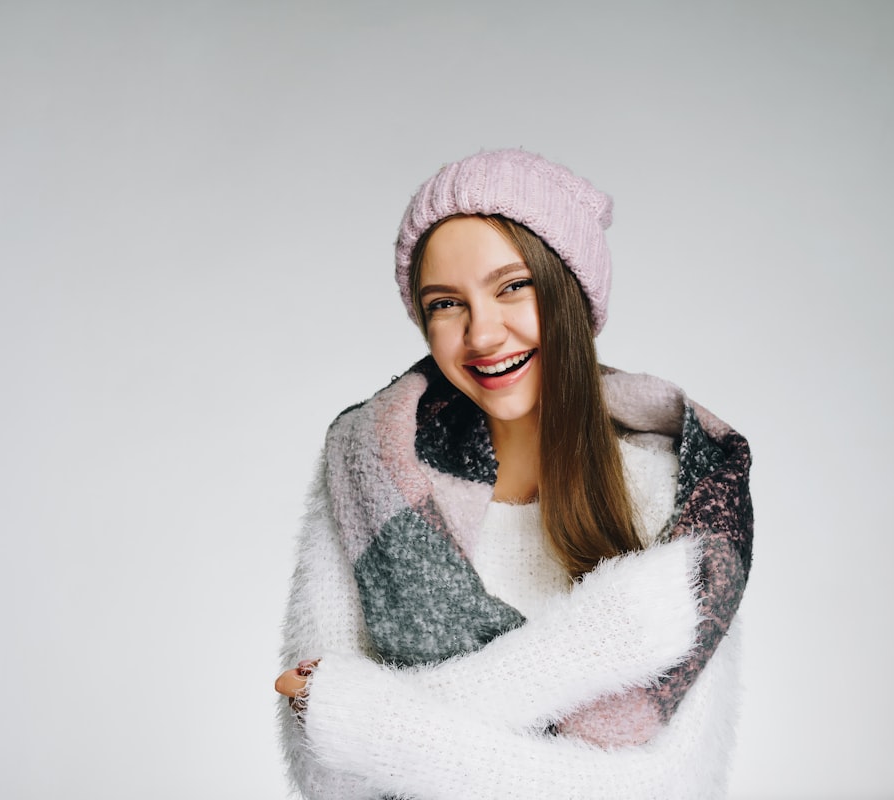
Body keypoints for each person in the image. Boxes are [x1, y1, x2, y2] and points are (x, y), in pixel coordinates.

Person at [274, 149, 753, 799]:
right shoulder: (369, 468)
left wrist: (373, 723)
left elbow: (668, 786)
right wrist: (603, 642)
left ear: (572, 296)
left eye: (512, 287)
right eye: (446, 303)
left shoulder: (680, 490)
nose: (482, 334)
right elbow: (329, 778)